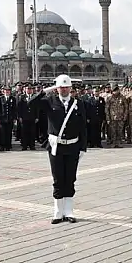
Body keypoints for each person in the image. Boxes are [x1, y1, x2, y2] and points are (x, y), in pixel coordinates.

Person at [32, 74, 88, 224]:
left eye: (66, 87)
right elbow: (31, 103)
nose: (64, 90)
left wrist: (83, 146)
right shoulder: (49, 101)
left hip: (73, 146)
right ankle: (58, 211)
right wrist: (45, 91)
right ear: (57, 88)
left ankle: (68, 211)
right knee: (58, 179)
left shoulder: (78, 103)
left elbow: (83, 125)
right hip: (56, 146)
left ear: (71, 88)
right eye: (61, 87)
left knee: (70, 178)